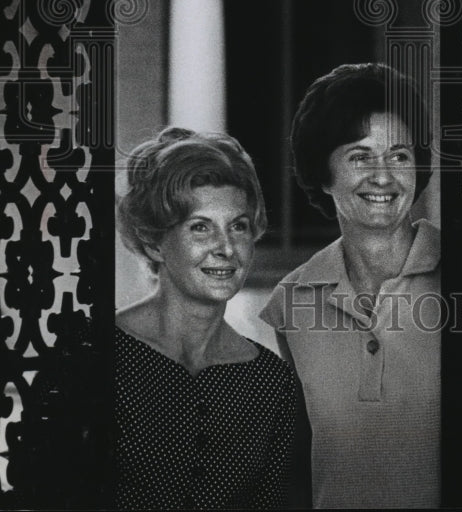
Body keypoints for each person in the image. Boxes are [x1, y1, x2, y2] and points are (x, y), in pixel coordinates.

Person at [261, 63, 440, 509]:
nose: (383, 176)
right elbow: (296, 462)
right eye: (360, 156)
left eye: (399, 155)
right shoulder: (292, 300)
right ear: (323, 174)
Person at [115, 127, 300, 510]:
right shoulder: (94, 353)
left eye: (238, 226)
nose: (226, 248)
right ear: (154, 242)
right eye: (200, 227)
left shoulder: (272, 383)